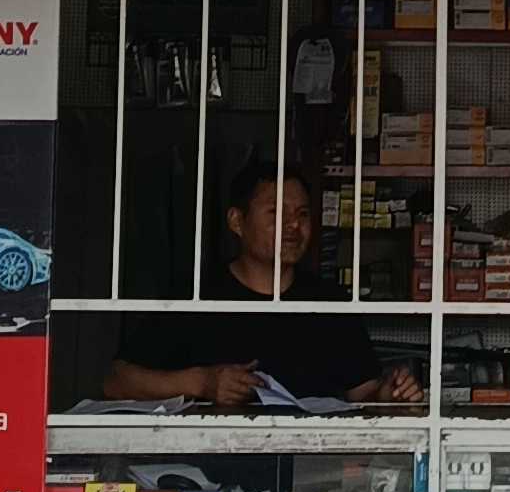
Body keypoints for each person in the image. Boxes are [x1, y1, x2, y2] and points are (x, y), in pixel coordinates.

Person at [102, 154, 423, 409]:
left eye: (302, 214)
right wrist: (202, 382)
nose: (293, 226)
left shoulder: (329, 302)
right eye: (276, 213)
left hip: (308, 466)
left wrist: (390, 395)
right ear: (237, 221)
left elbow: (364, 393)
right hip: (210, 464)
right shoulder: (196, 296)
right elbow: (116, 382)